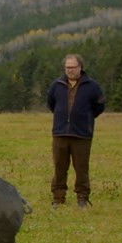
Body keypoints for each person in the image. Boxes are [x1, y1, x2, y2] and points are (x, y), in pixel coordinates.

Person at [47, 54, 105, 208]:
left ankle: (82, 198)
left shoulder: (92, 86)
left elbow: (99, 107)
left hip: (82, 134)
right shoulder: (56, 85)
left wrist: (84, 118)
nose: (70, 70)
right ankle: (58, 198)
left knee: (81, 168)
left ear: (80, 67)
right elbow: (51, 104)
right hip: (60, 133)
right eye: (67, 67)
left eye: (73, 67)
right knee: (59, 167)